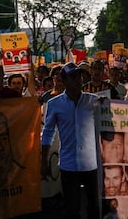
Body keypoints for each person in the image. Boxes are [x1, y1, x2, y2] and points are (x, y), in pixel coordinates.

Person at [41, 62, 99, 219]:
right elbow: (47, 133)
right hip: (68, 165)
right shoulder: (54, 104)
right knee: (72, 209)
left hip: (92, 165)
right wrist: (43, 162)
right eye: (73, 77)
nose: (78, 80)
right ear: (64, 81)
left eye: (79, 76)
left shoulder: (95, 101)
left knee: (95, 207)